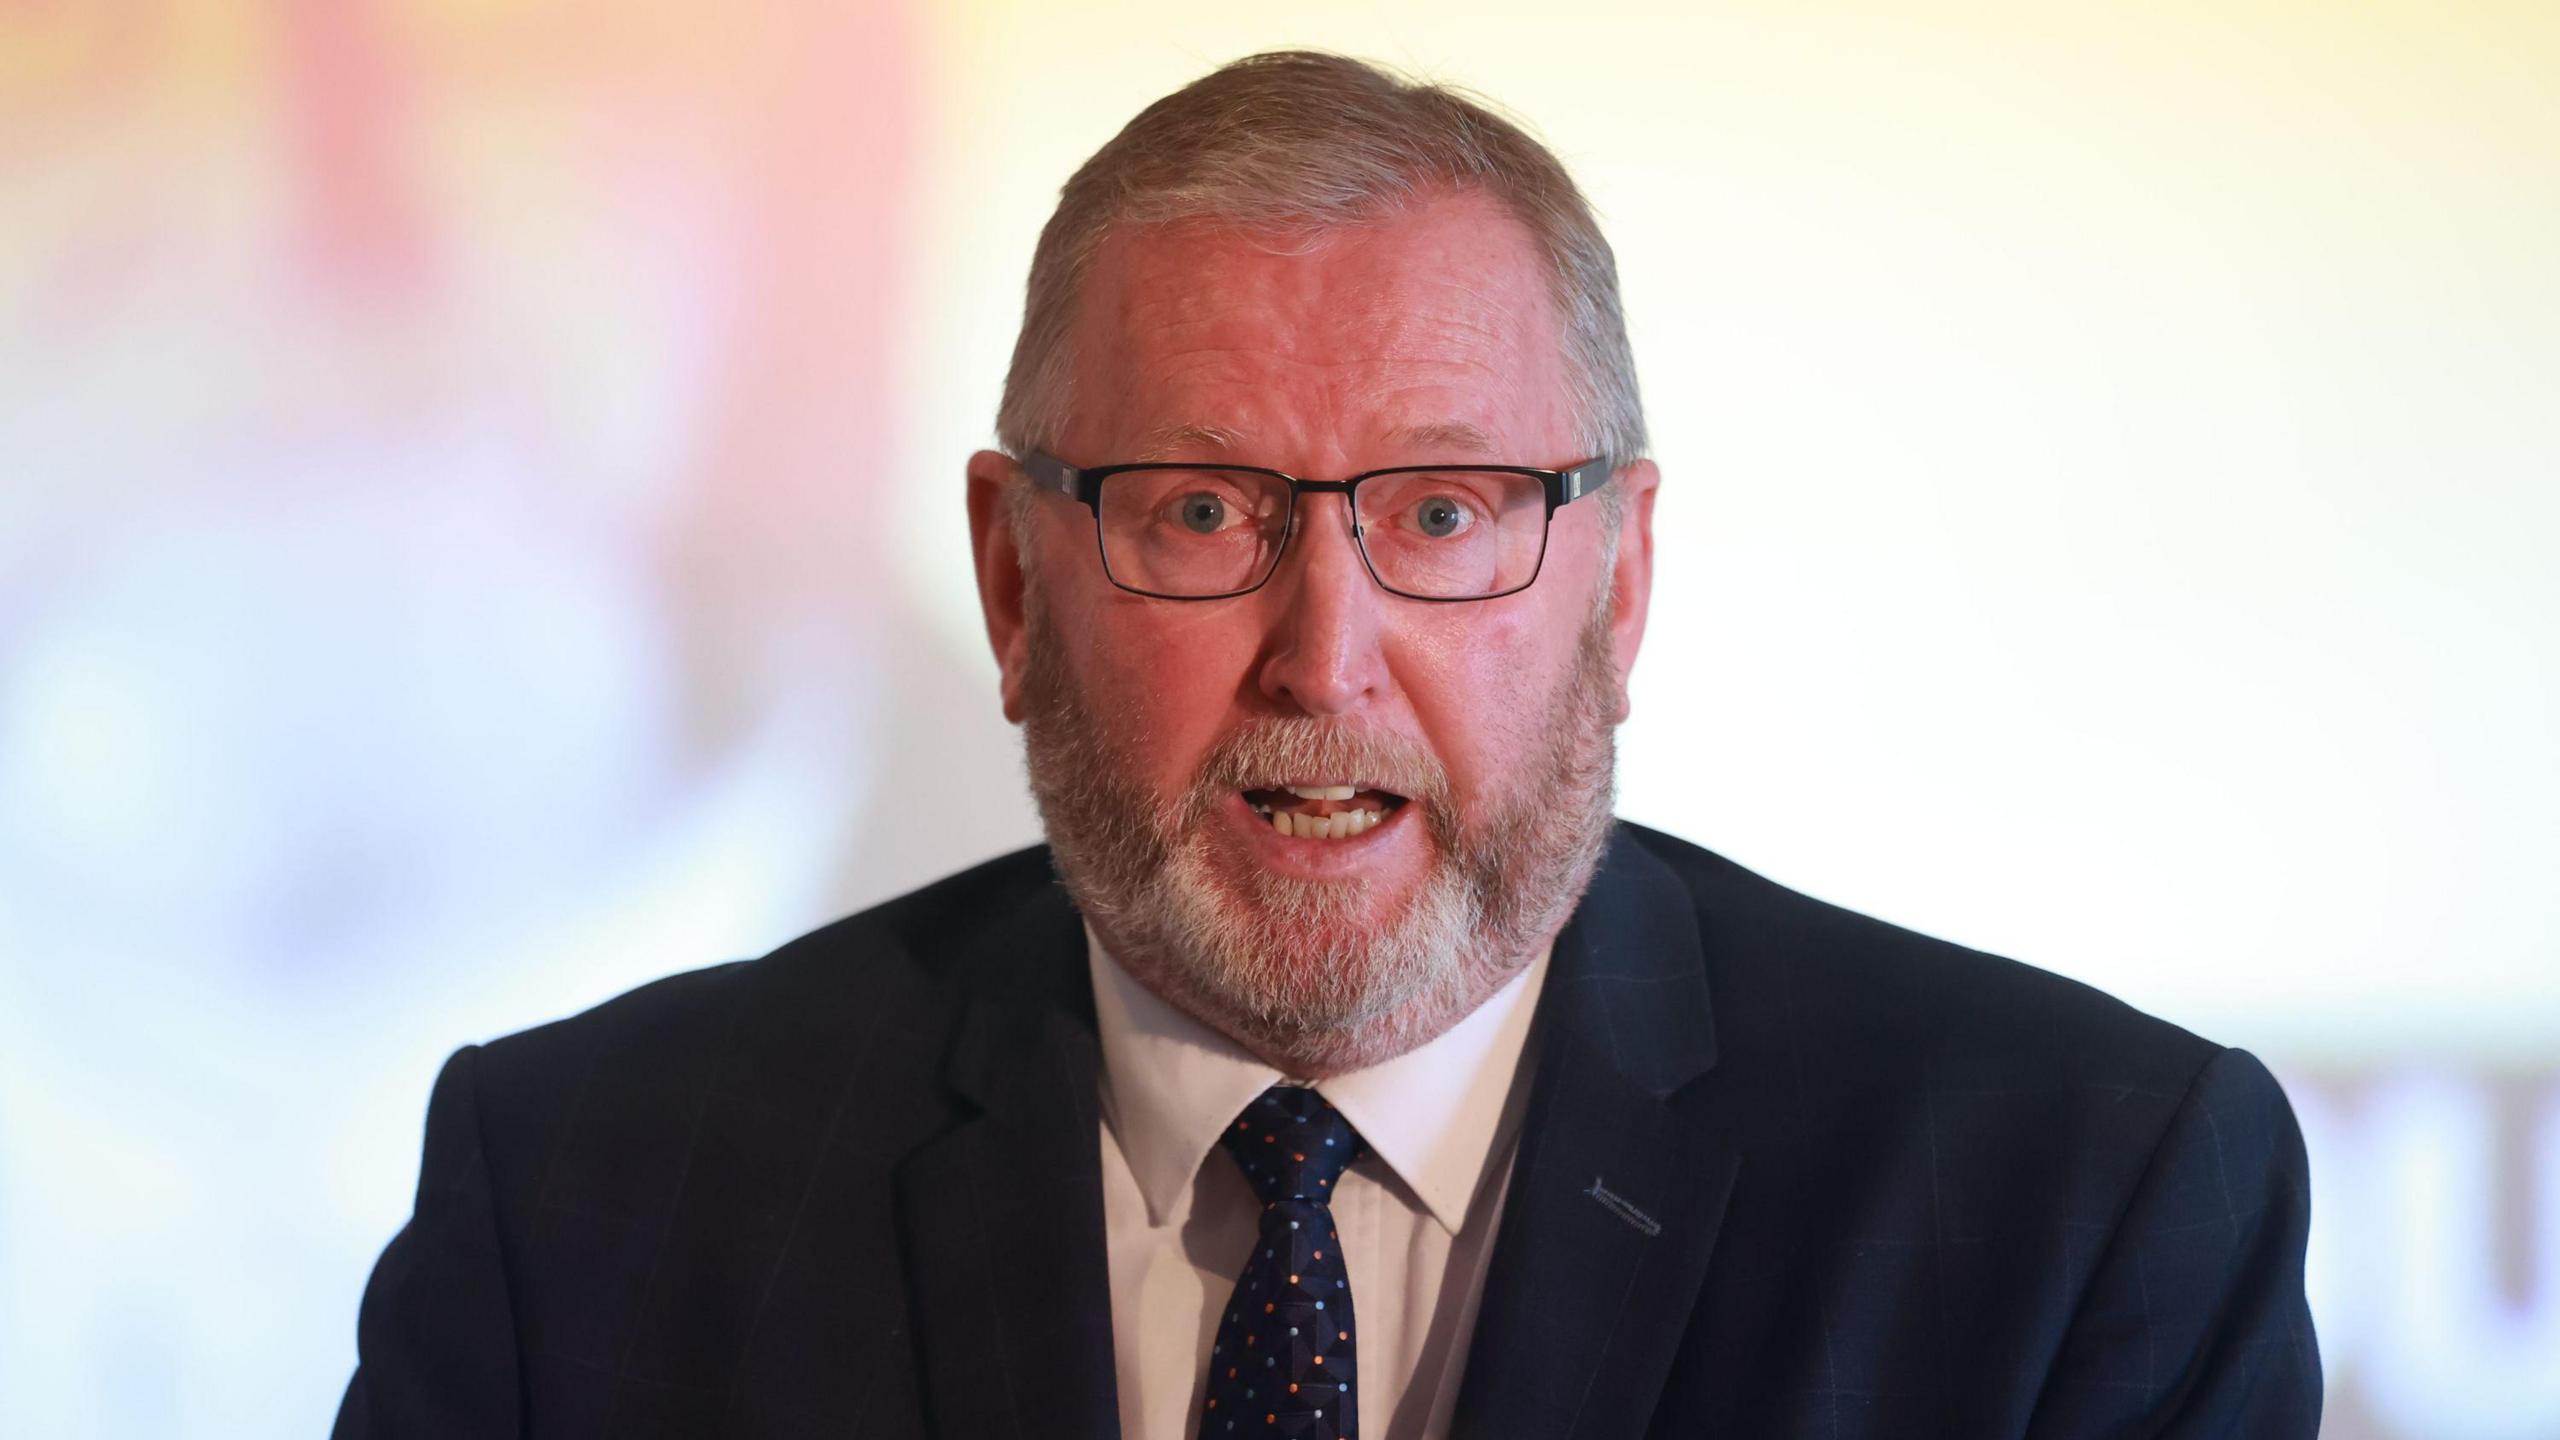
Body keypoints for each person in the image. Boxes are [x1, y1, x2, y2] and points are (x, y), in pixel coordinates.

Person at [335, 51, 2320, 1440]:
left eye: (1441, 515)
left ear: (1615, 591)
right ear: (1014, 591)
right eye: (1200, 512)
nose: (1320, 655)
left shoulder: (2076, 1210)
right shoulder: (588, 1208)